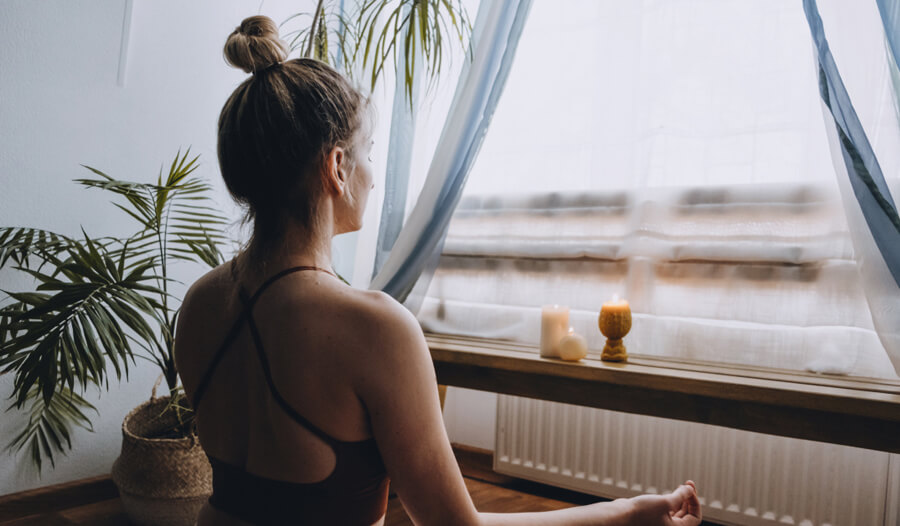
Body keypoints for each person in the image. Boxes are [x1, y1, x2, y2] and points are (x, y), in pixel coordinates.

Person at [174, 15, 702, 526]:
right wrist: (627, 513)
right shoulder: (374, 329)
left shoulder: (198, 305)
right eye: (368, 154)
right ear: (336, 168)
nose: (372, 177)